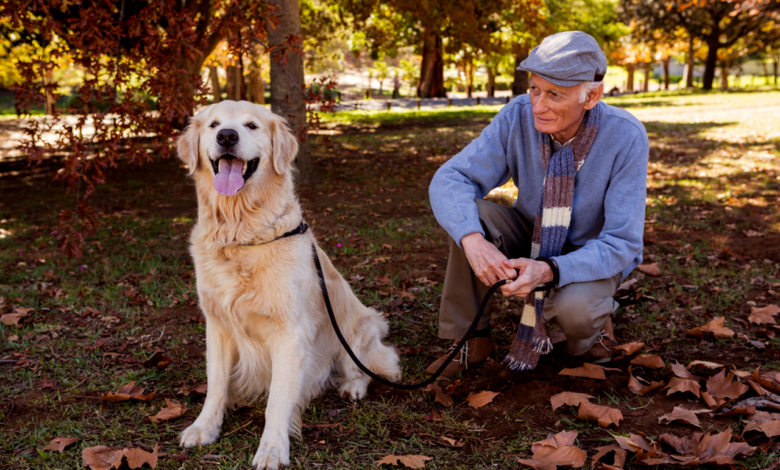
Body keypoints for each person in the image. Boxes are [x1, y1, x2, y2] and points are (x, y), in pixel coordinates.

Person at [426, 31, 649, 377]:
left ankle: (593, 334)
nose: (538, 105)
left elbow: (623, 242)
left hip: (589, 251)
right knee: (473, 218)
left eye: (554, 94)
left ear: (591, 96)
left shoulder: (626, 136)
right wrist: (472, 240)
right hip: (532, 234)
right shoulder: (517, 116)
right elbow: (451, 178)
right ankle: (471, 337)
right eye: (534, 88)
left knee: (575, 308)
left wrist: (551, 270)